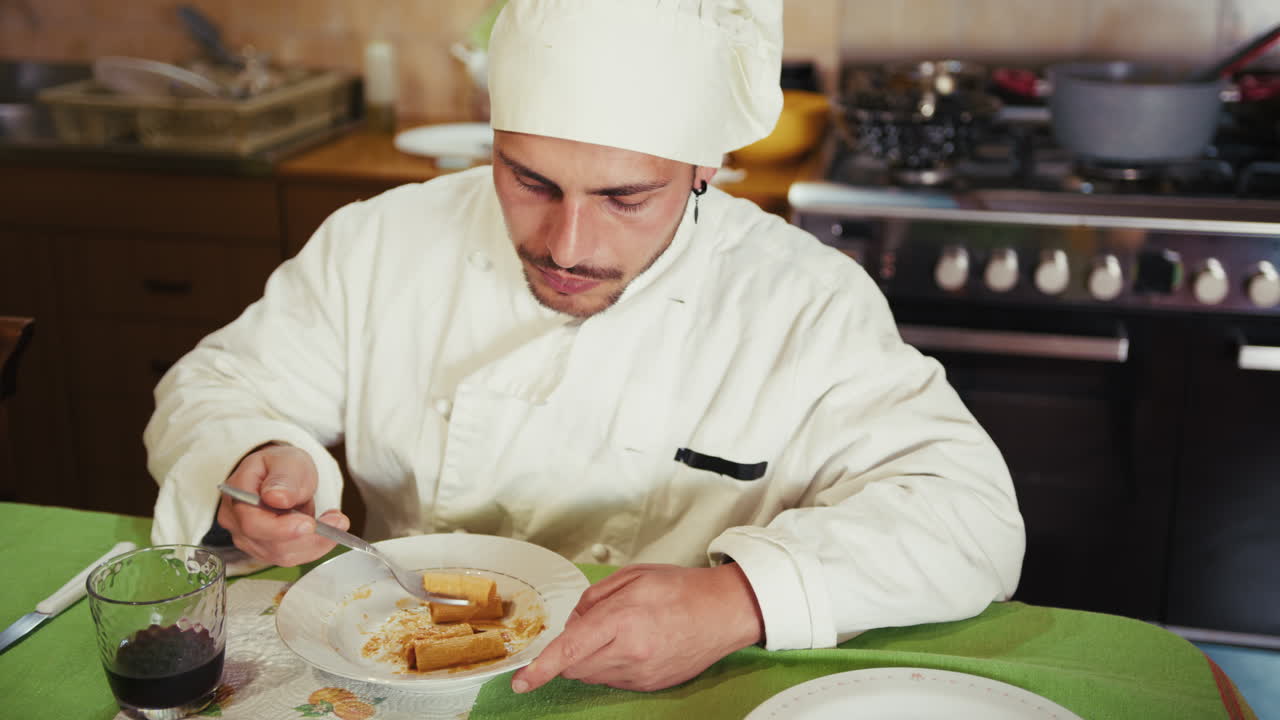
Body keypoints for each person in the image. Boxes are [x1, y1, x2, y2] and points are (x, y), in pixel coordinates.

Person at [145, 0, 1024, 695]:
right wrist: (258, 458)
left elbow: (969, 516)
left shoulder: (801, 299)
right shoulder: (380, 244)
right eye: (529, 180)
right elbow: (217, 386)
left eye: (625, 198)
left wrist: (740, 600)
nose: (567, 244)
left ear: (703, 171)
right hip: (400, 672)